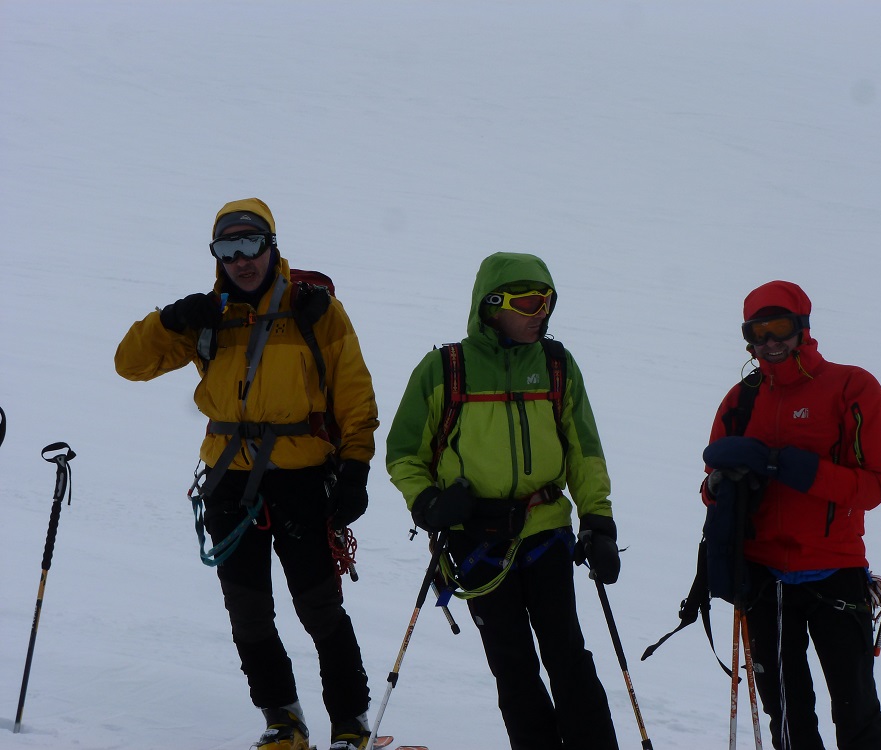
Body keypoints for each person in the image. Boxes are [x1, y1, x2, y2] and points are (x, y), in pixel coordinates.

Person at [115, 198, 379, 750]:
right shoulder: (208, 316)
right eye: (227, 248)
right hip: (228, 482)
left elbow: (355, 398)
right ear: (216, 255)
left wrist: (355, 468)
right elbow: (129, 365)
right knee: (248, 609)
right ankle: (282, 719)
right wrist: (169, 320)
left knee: (319, 607)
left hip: (302, 480)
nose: (241, 259)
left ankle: (350, 722)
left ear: (271, 246)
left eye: (250, 244)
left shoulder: (316, 310)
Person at [386, 252, 621, 750]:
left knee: (568, 657)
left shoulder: (556, 365)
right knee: (513, 666)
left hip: (545, 532)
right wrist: (427, 502)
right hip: (476, 539)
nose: (542, 312)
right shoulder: (445, 369)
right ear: (493, 306)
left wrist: (598, 520)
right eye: (530, 303)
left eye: (548, 301)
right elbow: (404, 452)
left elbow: (584, 450)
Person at [700, 279, 881, 750]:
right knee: (787, 716)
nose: (770, 342)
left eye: (780, 327)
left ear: (802, 327)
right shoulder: (741, 400)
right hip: (764, 577)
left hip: (835, 571)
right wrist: (720, 485)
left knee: (856, 711)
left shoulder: (852, 387)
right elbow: (710, 489)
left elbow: (873, 486)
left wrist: (797, 469)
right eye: (758, 332)